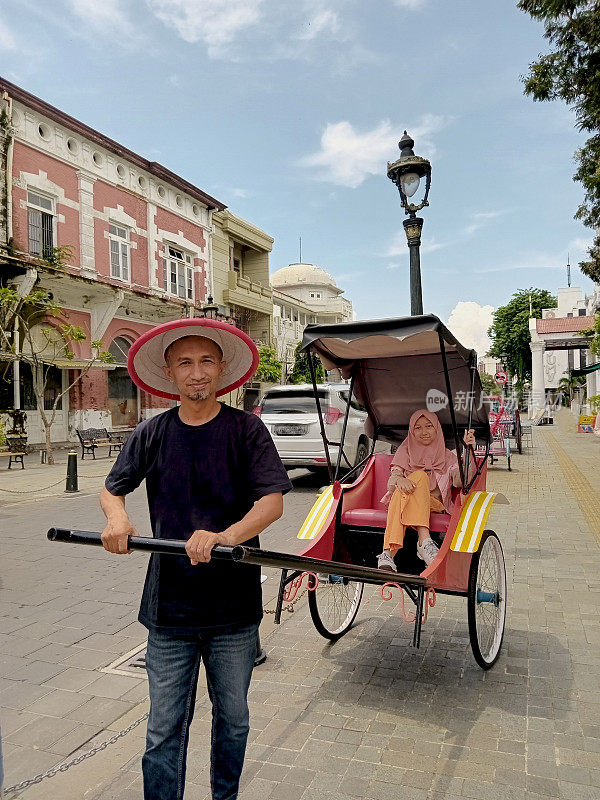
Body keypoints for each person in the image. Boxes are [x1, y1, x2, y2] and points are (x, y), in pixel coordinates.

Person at [100, 319, 292, 800]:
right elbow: (112, 487)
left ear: (222, 369)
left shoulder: (246, 430)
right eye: (184, 363)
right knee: (163, 727)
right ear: (169, 373)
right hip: (170, 610)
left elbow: (272, 502)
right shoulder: (153, 432)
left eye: (206, 361)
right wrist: (117, 519)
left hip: (233, 610)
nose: (197, 373)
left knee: (233, 719)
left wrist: (225, 536)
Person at [377, 409, 475, 571]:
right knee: (408, 487)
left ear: (436, 428)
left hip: (434, 505)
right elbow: (392, 482)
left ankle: (387, 552)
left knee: (416, 480)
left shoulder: (447, 456)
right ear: (411, 431)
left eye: (429, 426)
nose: (424, 432)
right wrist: (400, 480)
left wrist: (468, 452)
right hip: (406, 501)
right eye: (418, 428)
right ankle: (424, 541)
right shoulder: (405, 451)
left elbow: (459, 482)